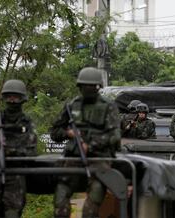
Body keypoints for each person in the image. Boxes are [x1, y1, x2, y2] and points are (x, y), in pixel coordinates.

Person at [50, 67, 121, 218]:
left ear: (98, 87)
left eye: (92, 86)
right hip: (73, 159)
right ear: (80, 87)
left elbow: (114, 136)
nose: (89, 89)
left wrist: (91, 145)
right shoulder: (71, 106)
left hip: (99, 159)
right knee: (60, 200)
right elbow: (54, 133)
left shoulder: (108, 106)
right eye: (85, 86)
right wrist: (68, 133)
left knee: (90, 208)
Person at [0, 79, 38, 218]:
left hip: (16, 173)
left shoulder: (27, 124)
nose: (12, 100)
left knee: (12, 213)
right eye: (9, 96)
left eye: (15, 96)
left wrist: (13, 152)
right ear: (4, 97)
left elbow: (32, 154)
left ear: (22, 99)